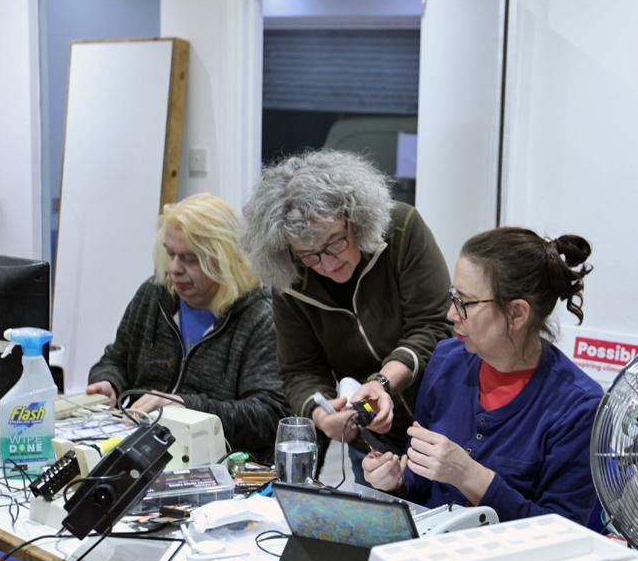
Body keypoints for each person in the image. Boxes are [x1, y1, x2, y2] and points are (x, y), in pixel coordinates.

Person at [363, 227, 603, 525]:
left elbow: (562, 532)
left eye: (464, 302)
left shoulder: (578, 406)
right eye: (453, 297)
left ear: (516, 314)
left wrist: (470, 475)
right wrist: (398, 481)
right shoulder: (447, 361)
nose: (451, 314)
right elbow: (423, 483)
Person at [241, 149, 453, 483]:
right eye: (310, 255)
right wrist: (322, 413)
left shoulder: (401, 230)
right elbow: (299, 370)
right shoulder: (290, 277)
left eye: (335, 243)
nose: (328, 264)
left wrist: (383, 381)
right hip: (372, 442)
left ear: (354, 217)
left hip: (443, 421)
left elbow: (434, 325)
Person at [87, 193, 289, 461]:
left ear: (224, 258)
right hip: (142, 453)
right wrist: (107, 382)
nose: (173, 269)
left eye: (190, 259)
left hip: (222, 467)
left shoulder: (260, 316)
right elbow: (115, 359)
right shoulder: (154, 295)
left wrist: (186, 407)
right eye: (171, 254)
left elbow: (269, 415)